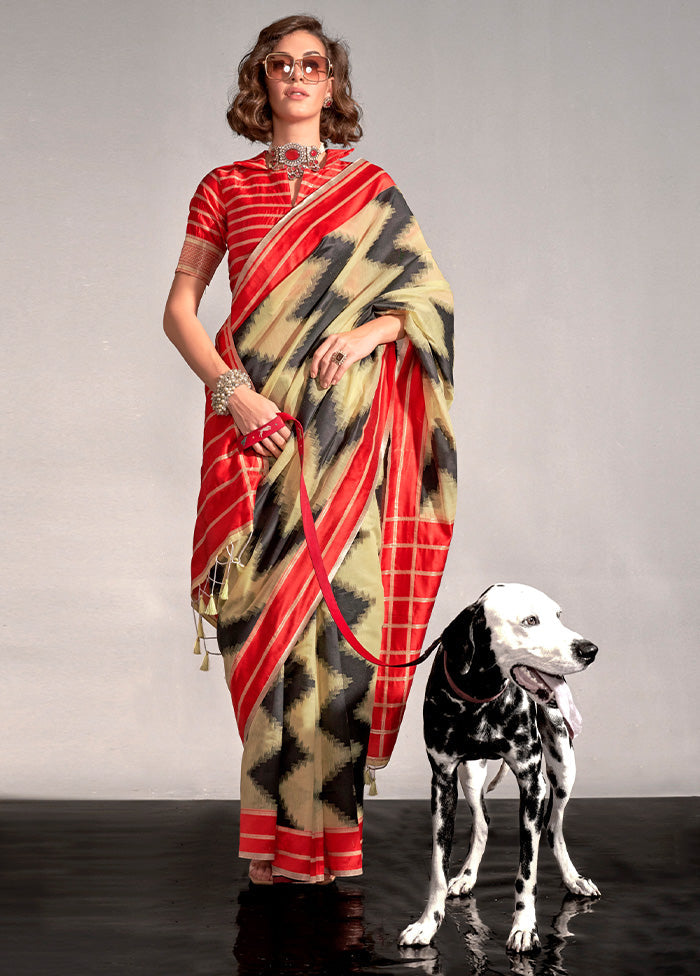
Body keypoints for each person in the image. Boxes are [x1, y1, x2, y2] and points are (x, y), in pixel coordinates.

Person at [163, 14, 457, 886]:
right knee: (261, 624)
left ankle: (332, 841)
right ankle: (274, 842)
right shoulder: (225, 186)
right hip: (260, 437)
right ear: (262, 80)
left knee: (338, 625)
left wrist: (370, 332)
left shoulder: (372, 188)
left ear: (332, 84)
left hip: (346, 442)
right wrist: (233, 392)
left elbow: (429, 301)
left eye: (314, 65)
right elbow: (180, 309)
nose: (297, 76)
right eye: (281, 64)